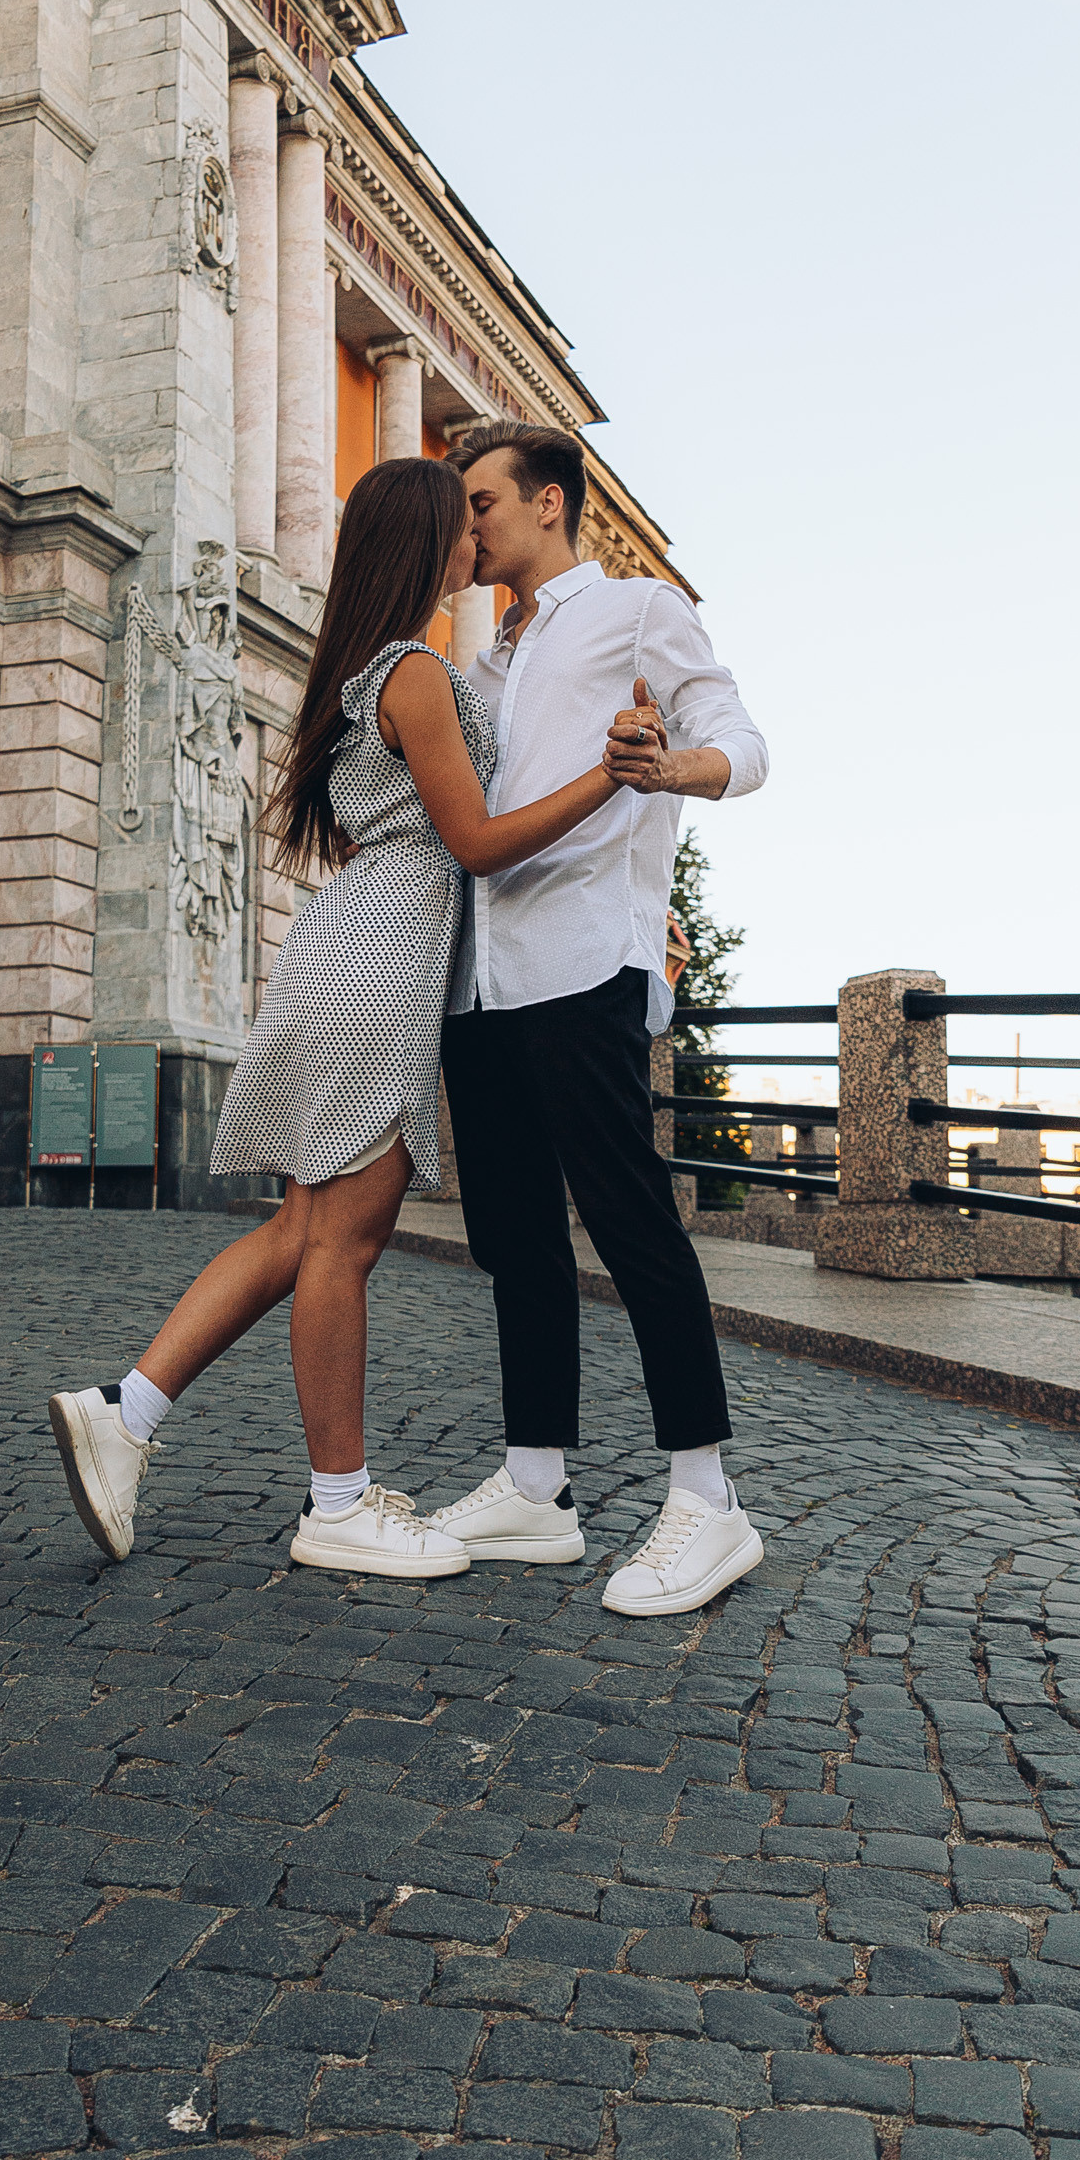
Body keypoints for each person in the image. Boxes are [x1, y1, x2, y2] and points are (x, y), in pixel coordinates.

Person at [47, 453, 638, 1581]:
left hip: (350, 943)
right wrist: (608, 781)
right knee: (344, 1241)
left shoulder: (371, 667)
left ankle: (123, 1415)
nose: (476, 531)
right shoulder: (413, 671)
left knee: (297, 1233)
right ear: (428, 541)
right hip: (381, 957)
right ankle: (336, 1503)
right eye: (460, 517)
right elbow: (473, 842)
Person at [429, 420, 772, 1616]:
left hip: (585, 958)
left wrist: (670, 771)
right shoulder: (486, 655)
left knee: (630, 1224)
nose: (468, 523)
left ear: (551, 504)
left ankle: (710, 1499)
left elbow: (743, 740)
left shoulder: (636, 610)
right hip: (482, 974)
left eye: (482, 501)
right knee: (513, 1237)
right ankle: (535, 1486)